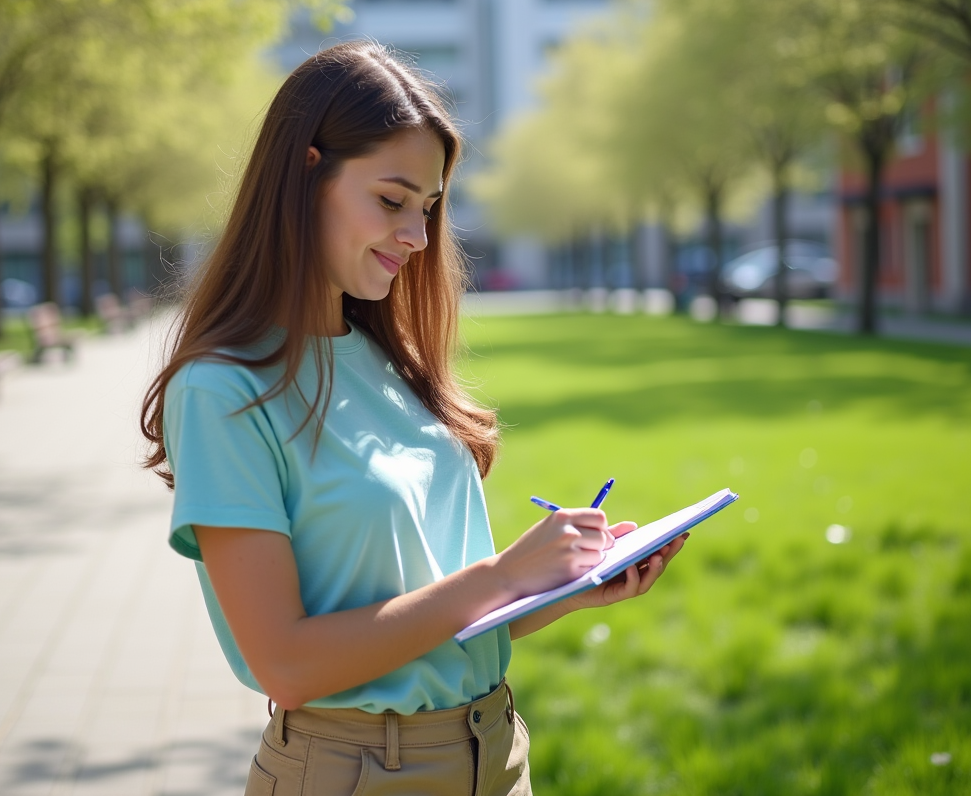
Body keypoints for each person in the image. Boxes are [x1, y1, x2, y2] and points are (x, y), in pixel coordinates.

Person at [140, 40, 686, 796]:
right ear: (305, 172)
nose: (418, 236)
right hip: (356, 772)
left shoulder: (388, 362)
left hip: (494, 753)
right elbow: (287, 665)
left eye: (428, 209)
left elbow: (433, 622)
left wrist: (558, 587)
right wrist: (502, 572)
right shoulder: (223, 391)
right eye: (392, 201)